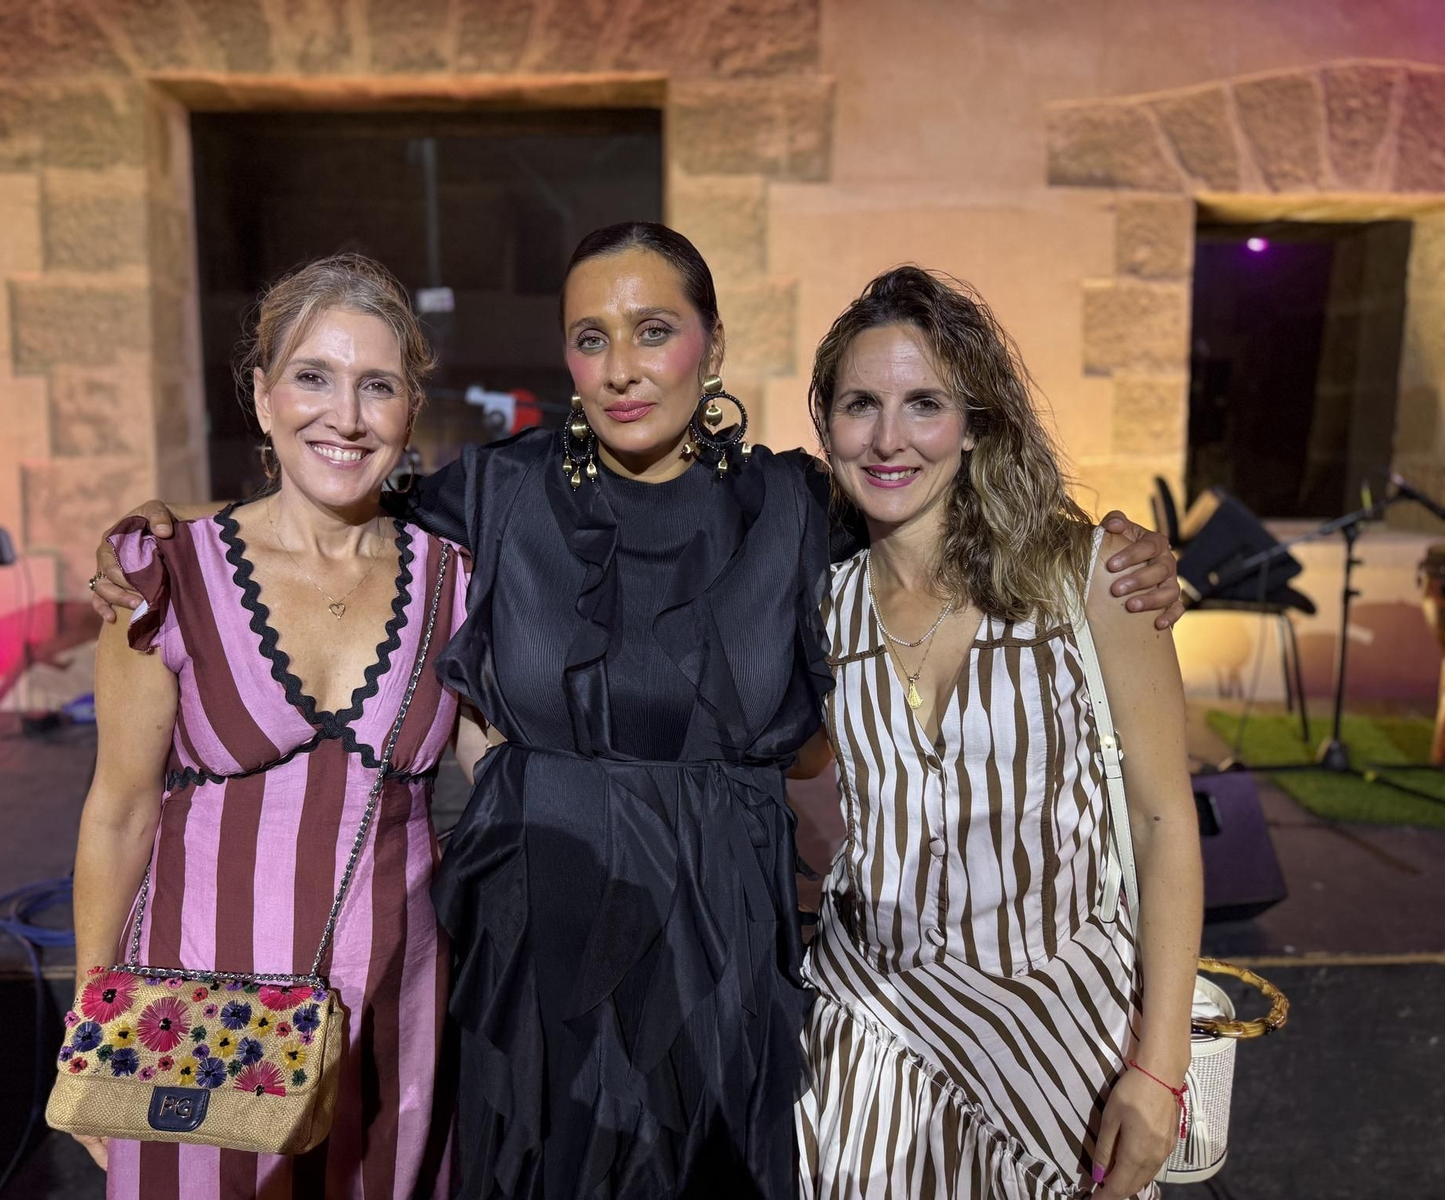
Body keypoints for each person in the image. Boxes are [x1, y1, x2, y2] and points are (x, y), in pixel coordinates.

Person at [90, 224, 1183, 1199]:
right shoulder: (498, 492)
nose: (621, 369)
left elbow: (949, 509)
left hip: (723, 942)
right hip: (534, 931)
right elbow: (325, 500)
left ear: (708, 340)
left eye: (652, 330)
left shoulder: (796, 502)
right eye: (590, 338)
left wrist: (1117, 557)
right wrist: (156, 527)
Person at [794, 266, 1202, 1200]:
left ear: (975, 422)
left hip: (1062, 1054)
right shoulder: (820, 606)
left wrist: (1159, 1066)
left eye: (924, 403)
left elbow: (1161, 823)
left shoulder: (1093, 576)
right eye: (860, 404)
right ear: (828, 426)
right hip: (870, 1052)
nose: (889, 438)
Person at [72, 255, 465, 1199]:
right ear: (260, 395)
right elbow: (119, 812)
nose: (346, 415)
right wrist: (91, 1030)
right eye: (312, 377)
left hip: (392, 1021)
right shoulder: (168, 576)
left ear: (411, 408)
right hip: (191, 1024)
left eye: (378, 385)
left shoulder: (458, 583)